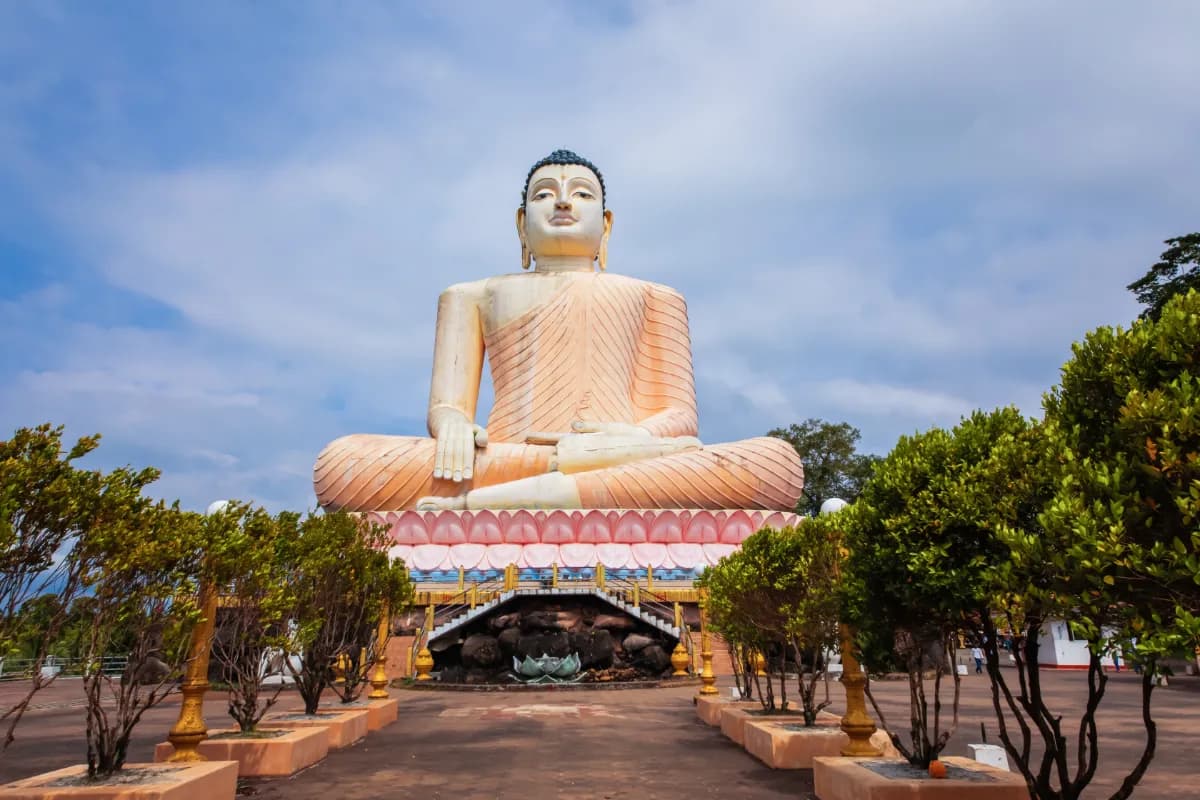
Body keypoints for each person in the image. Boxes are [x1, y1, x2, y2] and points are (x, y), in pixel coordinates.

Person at [314, 150, 805, 512]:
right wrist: (453, 427)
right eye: (544, 194)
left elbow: (679, 418)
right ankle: (538, 485)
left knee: (777, 464)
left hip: (627, 456)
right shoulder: (472, 294)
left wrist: (628, 439)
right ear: (521, 224)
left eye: (582, 194)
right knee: (341, 464)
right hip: (512, 459)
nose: (564, 203)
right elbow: (447, 407)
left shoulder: (655, 295)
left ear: (606, 224)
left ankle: (494, 505)